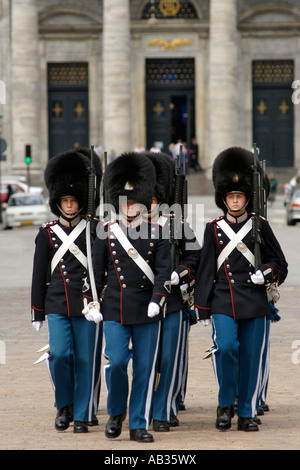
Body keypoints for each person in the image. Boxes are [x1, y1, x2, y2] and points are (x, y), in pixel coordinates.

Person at [194, 147, 288, 432]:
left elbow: (279, 262)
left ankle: (246, 411)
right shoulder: (214, 228)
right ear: (224, 199)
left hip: (255, 301)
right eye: (231, 197)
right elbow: (206, 269)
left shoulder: (260, 226)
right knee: (226, 348)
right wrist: (203, 307)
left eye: (240, 196)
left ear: (247, 198)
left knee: (250, 356)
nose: (235, 201)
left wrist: (266, 274)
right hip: (223, 300)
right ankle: (225, 405)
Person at [85, 151, 172, 443]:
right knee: (119, 362)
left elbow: (163, 271)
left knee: (145, 370)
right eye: (125, 200)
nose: (130, 205)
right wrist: (91, 301)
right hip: (116, 308)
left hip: (147, 309)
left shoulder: (157, 233)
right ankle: (116, 413)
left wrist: (157, 299)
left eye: (135, 200)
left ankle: (138, 424)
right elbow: (94, 273)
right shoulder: (105, 233)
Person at [31, 148, 103, 433]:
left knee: (86, 360)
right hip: (58, 304)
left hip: (88, 306)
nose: (70, 205)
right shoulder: (47, 233)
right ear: (57, 202)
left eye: (74, 200)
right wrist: (38, 311)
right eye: (65, 200)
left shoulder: (96, 229)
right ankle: (64, 405)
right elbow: (38, 275)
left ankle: (84, 414)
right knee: (60, 355)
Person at [143, 151, 201, 432]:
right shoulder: (126, 228)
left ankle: (164, 409)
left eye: (154, 200)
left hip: (174, 299)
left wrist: (182, 273)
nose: (150, 205)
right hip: (141, 301)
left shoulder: (175, 224)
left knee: (170, 357)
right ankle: (147, 406)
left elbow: (195, 258)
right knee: (146, 359)